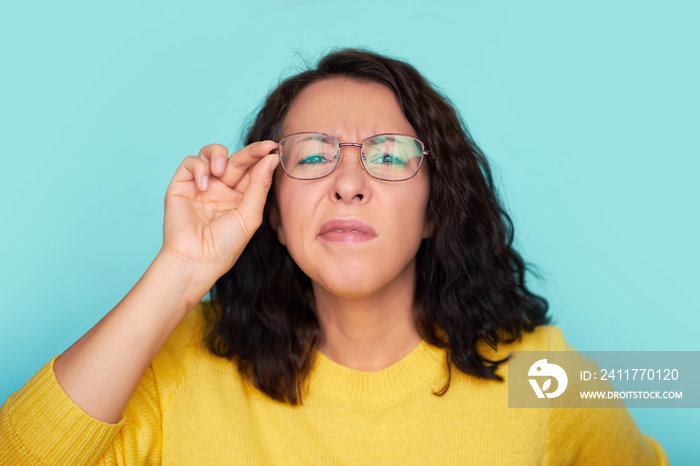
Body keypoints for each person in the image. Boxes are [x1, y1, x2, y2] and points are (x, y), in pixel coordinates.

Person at [0, 49, 668, 464]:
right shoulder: (180, 365)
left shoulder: (541, 374)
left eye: (388, 155)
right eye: (314, 157)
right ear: (275, 214)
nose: (349, 183)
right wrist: (181, 268)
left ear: (436, 208)